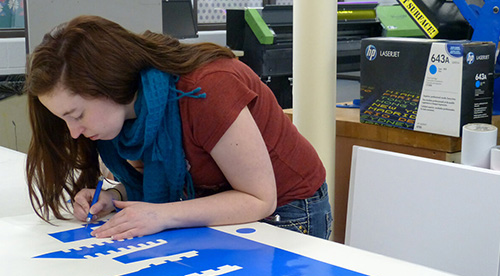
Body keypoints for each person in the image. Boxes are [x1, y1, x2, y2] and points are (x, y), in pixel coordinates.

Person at [25, 15, 332, 240]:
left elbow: (258, 199)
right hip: (216, 202)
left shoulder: (205, 90)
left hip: (287, 211)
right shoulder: (133, 113)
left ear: (108, 83)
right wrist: (115, 195)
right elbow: (168, 169)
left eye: (76, 115)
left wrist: (160, 214)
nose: (74, 132)